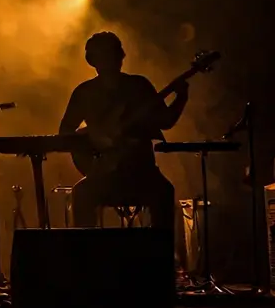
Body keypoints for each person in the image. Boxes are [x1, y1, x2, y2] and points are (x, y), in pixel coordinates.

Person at [60, 32, 184, 232]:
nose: (111, 58)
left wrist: (181, 97)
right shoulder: (84, 92)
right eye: (104, 54)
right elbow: (65, 132)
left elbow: (166, 120)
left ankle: (159, 257)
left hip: (141, 171)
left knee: (163, 192)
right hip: (103, 173)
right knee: (82, 194)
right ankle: (85, 259)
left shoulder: (139, 85)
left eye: (114, 53)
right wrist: (93, 138)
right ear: (92, 60)